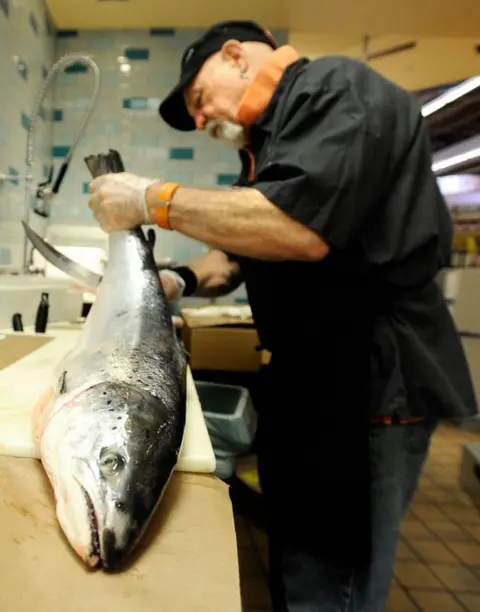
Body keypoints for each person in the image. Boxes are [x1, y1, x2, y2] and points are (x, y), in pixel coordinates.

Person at [87, 20, 478, 611]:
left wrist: (151, 199)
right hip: (312, 381)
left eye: (197, 100)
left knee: (331, 573)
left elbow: (292, 227)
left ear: (235, 54)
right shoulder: (269, 146)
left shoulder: (335, 90)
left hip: (370, 383)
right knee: (298, 552)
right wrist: (176, 280)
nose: (199, 121)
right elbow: (239, 252)